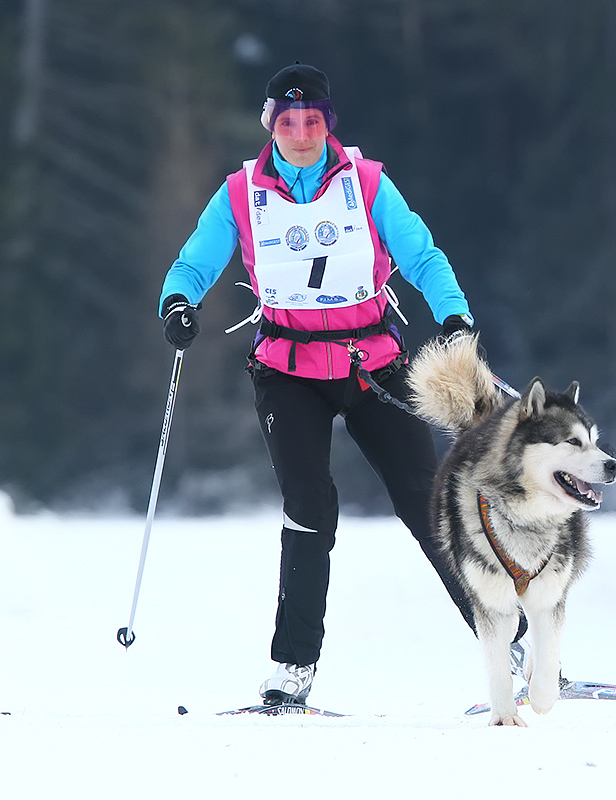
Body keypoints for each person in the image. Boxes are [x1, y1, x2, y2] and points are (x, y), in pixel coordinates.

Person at [159, 63, 490, 704]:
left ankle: (513, 645)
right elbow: (194, 262)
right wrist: (178, 303)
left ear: (329, 123)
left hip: (372, 364)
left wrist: (453, 316)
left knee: (427, 502)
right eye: (288, 121)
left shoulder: (367, 183)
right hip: (287, 372)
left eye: (313, 120)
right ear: (270, 125)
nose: (302, 133)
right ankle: (292, 673)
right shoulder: (240, 193)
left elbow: (422, 255)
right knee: (309, 509)